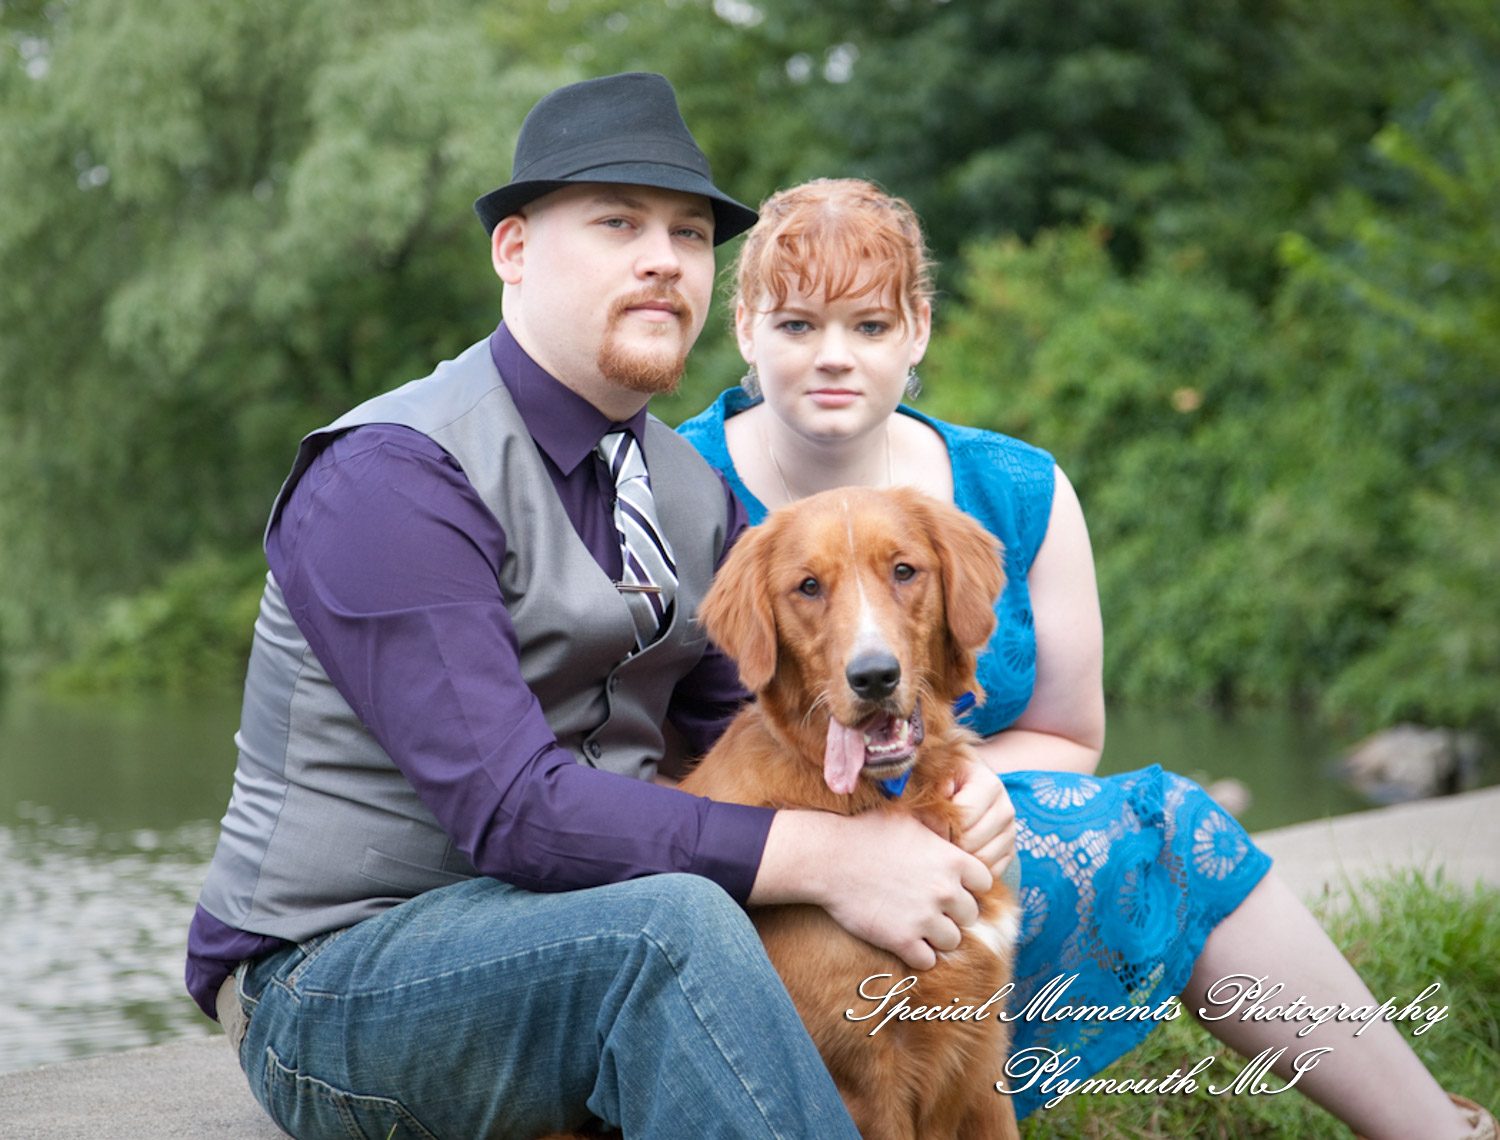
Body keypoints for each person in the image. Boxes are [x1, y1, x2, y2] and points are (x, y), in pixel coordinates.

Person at [185, 79, 1015, 1139]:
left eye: (688, 232)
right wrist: (830, 859)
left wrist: (933, 792)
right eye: (618, 222)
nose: (664, 257)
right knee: (672, 929)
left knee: (894, 912)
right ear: (515, 251)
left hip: (581, 928)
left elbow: (760, 728)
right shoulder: (392, 478)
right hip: (339, 981)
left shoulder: (684, 487)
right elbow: (513, 812)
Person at [676, 177, 1496, 1137]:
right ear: (744, 328)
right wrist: (821, 853)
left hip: (985, 824)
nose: (833, 358)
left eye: (868, 325)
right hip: (771, 858)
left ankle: (1436, 1131)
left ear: (918, 330)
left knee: (1173, 824)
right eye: (796, 325)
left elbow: (1069, 732)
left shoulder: (1014, 487)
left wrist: (975, 787)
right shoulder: (675, 485)